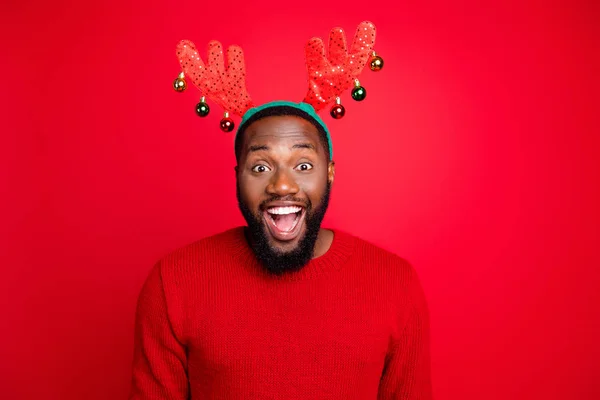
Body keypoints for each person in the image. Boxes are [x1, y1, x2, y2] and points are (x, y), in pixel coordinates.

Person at [129, 101, 433, 399]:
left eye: (303, 165)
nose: (282, 185)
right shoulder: (174, 281)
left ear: (329, 173)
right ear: (238, 176)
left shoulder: (394, 282)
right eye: (260, 167)